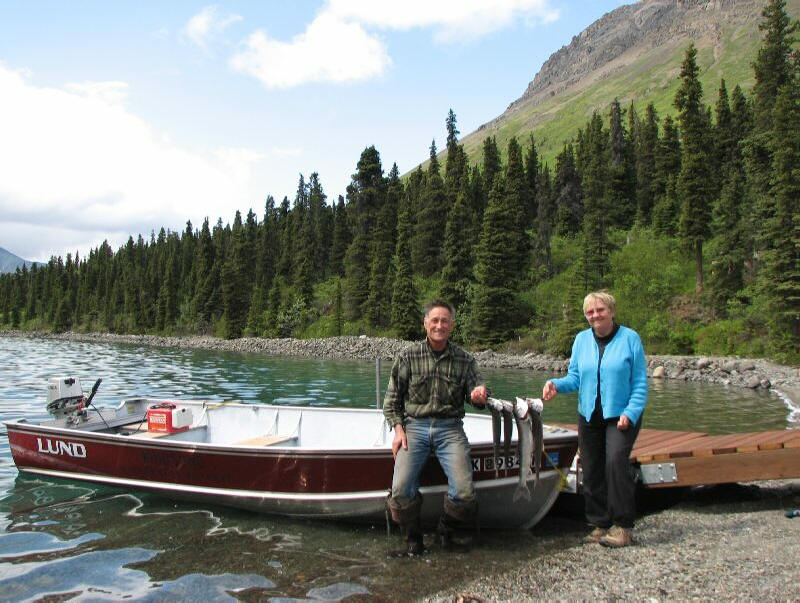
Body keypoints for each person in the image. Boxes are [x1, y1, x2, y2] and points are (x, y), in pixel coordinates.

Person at [542, 291, 647, 548]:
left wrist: (630, 413)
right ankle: (599, 523)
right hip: (589, 415)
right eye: (590, 312)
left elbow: (639, 383)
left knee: (615, 462)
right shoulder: (581, 340)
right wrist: (555, 384)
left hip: (621, 415)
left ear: (612, 312)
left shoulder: (630, 339)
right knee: (591, 469)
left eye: (600, 310)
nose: (595, 315)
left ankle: (623, 526)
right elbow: (575, 378)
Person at [383, 299, 488, 555]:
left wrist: (479, 395)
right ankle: (413, 539)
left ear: (452, 325)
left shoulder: (465, 360)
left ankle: (445, 533)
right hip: (414, 428)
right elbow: (392, 402)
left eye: (444, 321)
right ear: (425, 323)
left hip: (450, 429)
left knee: (464, 492)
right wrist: (398, 430)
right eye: (435, 320)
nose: (439, 325)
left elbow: (478, 396)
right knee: (400, 490)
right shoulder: (408, 357)